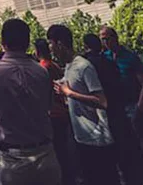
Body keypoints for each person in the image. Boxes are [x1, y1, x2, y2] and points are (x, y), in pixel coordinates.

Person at [0, 19, 62, 183]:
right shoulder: (41, 71)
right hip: (45, 152)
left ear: (3, 42)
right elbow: (48, 104)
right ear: (27, 42)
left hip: (12, 158)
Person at [49, 24, 120, 184]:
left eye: (51, 43)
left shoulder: (83, 66)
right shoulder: (68, 67)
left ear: (59, 44)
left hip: (97, 139)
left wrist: (70, 93)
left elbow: (102, 101)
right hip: (82, 138)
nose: (50, 48)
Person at [99, 26, 143, 185]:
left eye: (107, 38)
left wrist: (140, 107)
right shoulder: (104, 57)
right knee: (129, 148)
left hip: (134, 104)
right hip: (118, 108)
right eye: (102, 38)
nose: (105, 41)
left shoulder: (129, 57)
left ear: (115, 37)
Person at [34, 39, 78, 185]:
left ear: (36, 51)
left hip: (52, 114)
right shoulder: (55, 66)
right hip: (63, 111)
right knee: (65, 151)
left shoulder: (41, 68)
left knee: (58, 153)